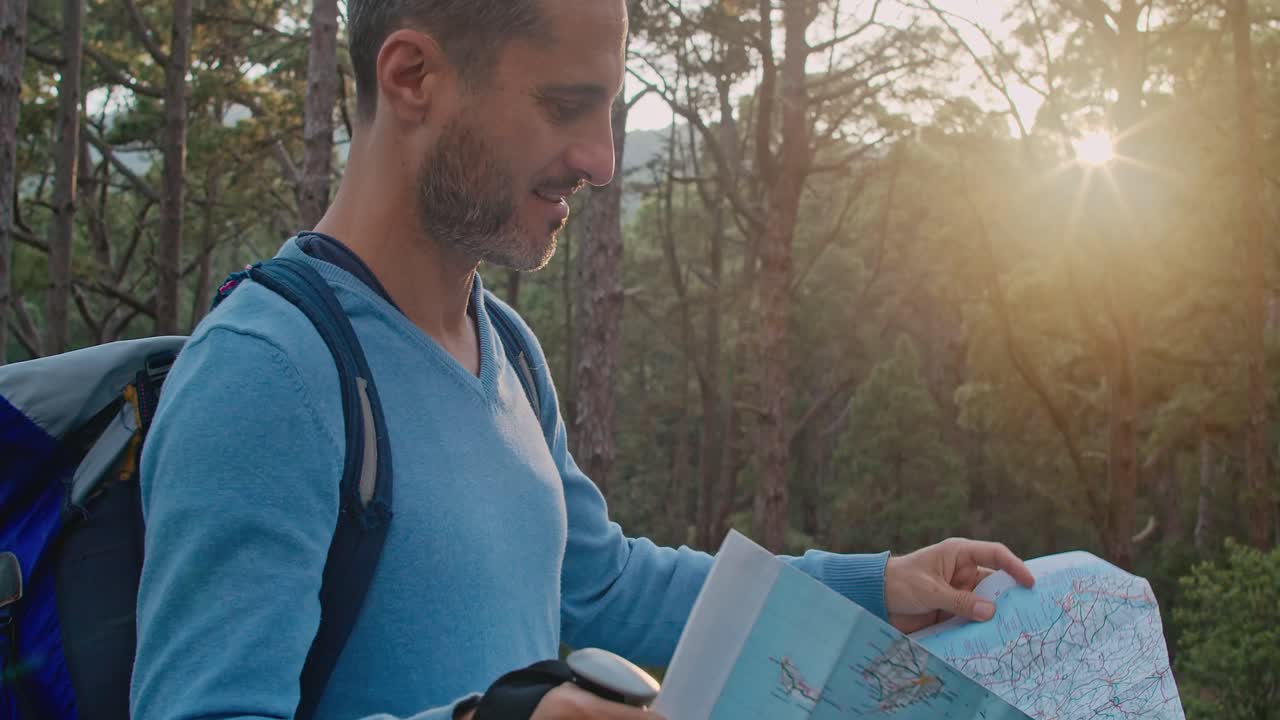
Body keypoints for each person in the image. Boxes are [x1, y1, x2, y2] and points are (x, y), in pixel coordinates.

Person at [129, 1, 1035, 719]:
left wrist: (874, 585)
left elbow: (599, 584)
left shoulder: (509, 350)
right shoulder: (267, 373)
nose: (601, 161)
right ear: (412, 77)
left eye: (608, 110)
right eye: (566, 106)